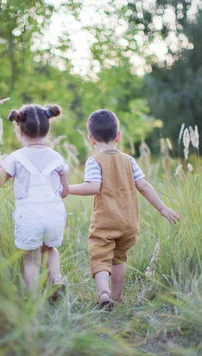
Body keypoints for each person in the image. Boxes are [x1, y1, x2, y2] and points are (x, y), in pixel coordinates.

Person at [69, 109, 180, 309]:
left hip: (105, 222)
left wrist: (67, 189)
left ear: (91, 139)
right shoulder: (129, 160)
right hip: (129, 223)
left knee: (101, 256)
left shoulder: (94, 161)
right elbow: (144, 186)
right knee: (119, 260)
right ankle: (117, 297)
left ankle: (104, 293)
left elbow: (93, 186)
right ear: (118, 136)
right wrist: (162, 208)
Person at [0, 104, 69, 299]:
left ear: (19, 130)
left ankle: (33, 298)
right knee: (50, 248)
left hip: (29, 216)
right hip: (54, 213)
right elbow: (65, 191)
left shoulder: (16, 158)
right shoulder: (56, 157)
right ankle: (56, 277)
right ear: (47, 128)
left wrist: (0, 163)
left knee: (31, 260)